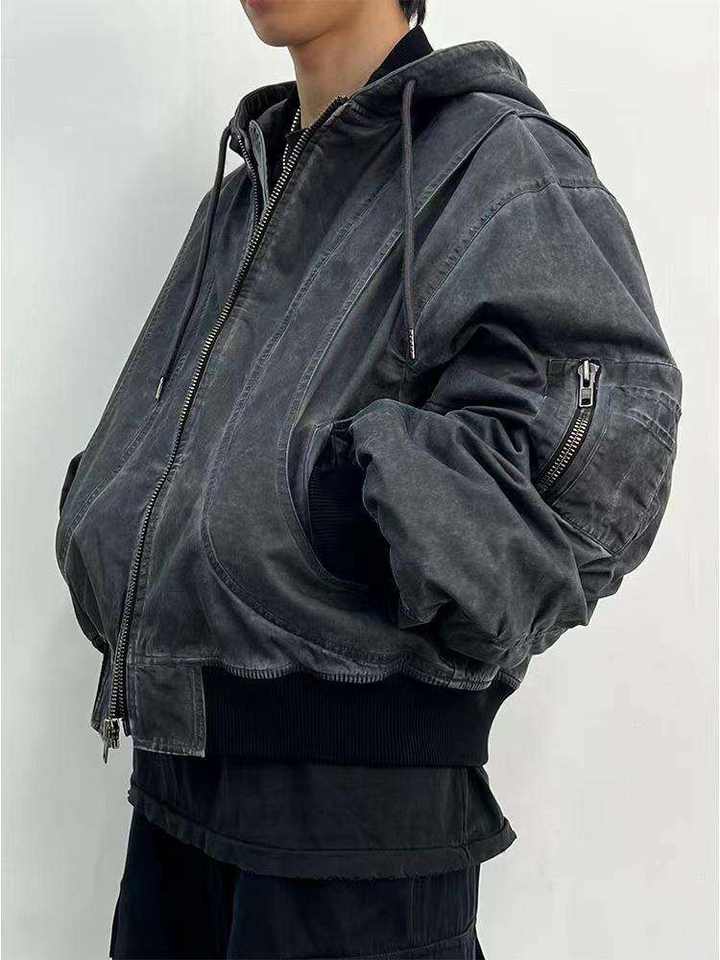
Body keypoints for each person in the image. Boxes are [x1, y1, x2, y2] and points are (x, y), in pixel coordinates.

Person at [54, 1, 683, 957]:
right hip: (175, 789)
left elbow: (609, 456)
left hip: (358, 826)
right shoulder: (245, 195)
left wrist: (351, 507)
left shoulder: (497, 161)